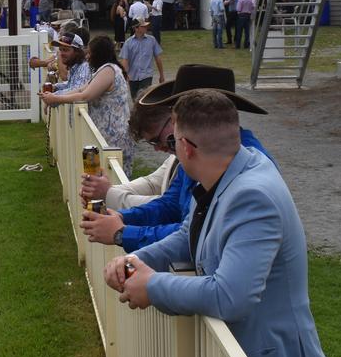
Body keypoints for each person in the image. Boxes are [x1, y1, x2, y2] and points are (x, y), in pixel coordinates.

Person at [103, 90, 330, 357]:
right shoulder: (223, 172)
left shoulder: (253, 196)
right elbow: (188, 235)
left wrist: (152, 286)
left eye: (171, 143)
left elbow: (230, 296)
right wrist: (137, 261)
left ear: (185, 146)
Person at [81, 64, 271, 253]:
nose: (179, 120)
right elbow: (171, 206)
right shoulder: (200, 152)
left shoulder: (244, 169)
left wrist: (122, 233)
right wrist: (121, 218)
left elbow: (195, 236)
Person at [40, 35, 135, 174]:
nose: (88, 56)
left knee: (112, 182)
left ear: (98, 54)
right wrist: (54, 95)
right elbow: (80, 89)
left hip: (112, 142)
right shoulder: (103, 70)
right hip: (100, 138)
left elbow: (85, 96)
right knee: (94, 178)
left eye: (90, 53)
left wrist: (55, 100)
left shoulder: (108, 71)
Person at [119, 19, 164, 98]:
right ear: (136, 28)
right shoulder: (128, 43)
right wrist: (125, 75)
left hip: (146, 75)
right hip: (132, 76)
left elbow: (157, 57)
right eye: (143, 26)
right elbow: (125, 60)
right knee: (135, 99)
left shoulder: (152, 40)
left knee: (143, 98)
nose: (146, 27)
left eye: (146, 26)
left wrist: (161, 75)